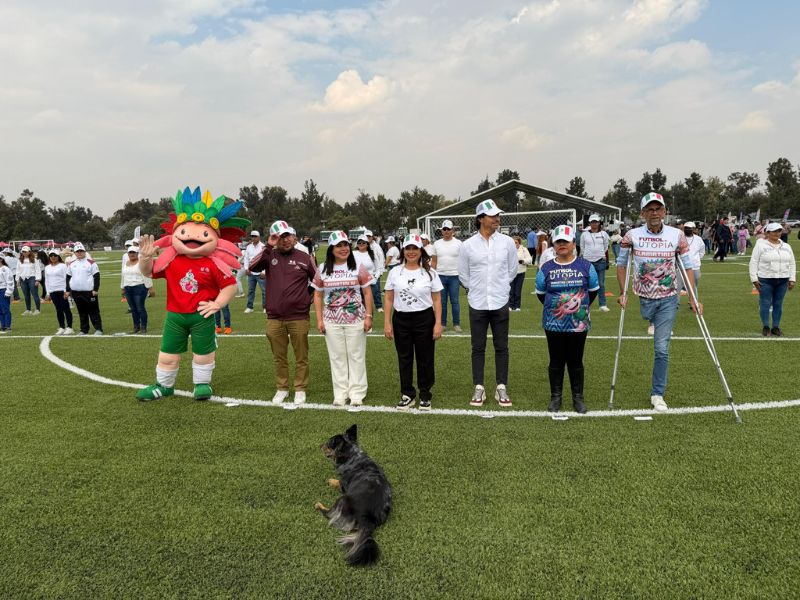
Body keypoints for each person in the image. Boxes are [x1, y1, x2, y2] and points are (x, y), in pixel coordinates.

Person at [136, 186, 247, 401]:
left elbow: (230, 285)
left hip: (201, 316)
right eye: (184, 232)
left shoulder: (213, 264)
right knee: (167, 354)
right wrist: (145, 257)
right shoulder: (171, 260)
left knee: (203, 354)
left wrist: (217, 304)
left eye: (204, 233)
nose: (191, 237)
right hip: (175, 316)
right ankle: (164, 386)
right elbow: (148, 271)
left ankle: (202, 384)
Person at [616, 192, 701, 412]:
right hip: (643, 296)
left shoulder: (677, 235)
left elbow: (687, 266)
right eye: (650, 210)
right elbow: (621, 264)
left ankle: (657, 394)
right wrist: (622, 292)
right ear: (643, 213)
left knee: (661, 348)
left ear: (664, 212)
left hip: (668, 297)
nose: (654, 213)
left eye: (658, 209)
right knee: (648, 319)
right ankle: (651, 320)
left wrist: (693, 297)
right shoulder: (631, 235)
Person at [250, 220, 317, 404]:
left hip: (299, 316)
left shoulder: (304, 256)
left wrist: (307, 296)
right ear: (274, 239)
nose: (285, 240)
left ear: (293, 237)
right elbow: (252, 267)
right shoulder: (269, 255)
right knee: (279, 357)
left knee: (301, 356)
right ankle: (282, 388)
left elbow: (318, 279)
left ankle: (300, 388)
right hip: (275, 317)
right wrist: (268, 246)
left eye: (288, 236)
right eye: (280, 237)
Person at [458, 199, 518, 407]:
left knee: (502, 347)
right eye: (493, 215)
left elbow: (512, 271)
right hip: (477, 303)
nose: (497, 219)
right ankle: (479, 387)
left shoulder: (507, 242)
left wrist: (501, 288)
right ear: (481, 218)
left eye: (498, 215)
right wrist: (476, 290)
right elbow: (463, 275)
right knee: (478, 347)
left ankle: (501, 386)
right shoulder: (467, 245)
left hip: (500, 301)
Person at [535, 225, 598, 413]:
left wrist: (577, 309)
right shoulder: (546, 268)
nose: (561, 244)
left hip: (578, 325)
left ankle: (578, 397)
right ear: (553, 244)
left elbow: (592, 292)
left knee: (576, 360)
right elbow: (541, 294)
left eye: (565, 241)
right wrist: (557, 309)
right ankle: (556, 397)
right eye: (558, 241)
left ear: (573, 243)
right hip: (553, 323)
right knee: (556, 360)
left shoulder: (586, 266)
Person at [313, 231, 374, 406]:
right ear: (331, 249)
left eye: (345, 245)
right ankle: (340, 394)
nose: (343, 248)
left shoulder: (358, 267)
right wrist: (319, 319)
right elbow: (317, 295)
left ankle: (357, 394)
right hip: (331, 321)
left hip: (356, 320)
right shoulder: (323, 268)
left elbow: (367, 292)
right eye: (338, 246)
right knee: (337, 357)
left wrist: (368, 316)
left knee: (356, 356)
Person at [384, 233, 443, 410]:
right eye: (408, 248)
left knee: (425, 358)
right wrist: (387, 323)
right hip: (401, 319)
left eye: (415, 248)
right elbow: (388, 298)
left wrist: (438, 323)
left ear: (421, 251)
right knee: (405, 358)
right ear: (403, 251)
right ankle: (407, 394)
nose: (411, 252)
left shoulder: (430, 273)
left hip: (424, 318)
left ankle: (425, 394)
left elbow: (437, 300)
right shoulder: (395, 272)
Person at [749, 222, 796, 337]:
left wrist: (792, 278)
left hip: (783, 280)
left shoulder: (786, 246)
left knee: (778, 304)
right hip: (765, 279)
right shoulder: (760, 245)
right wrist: (754, 279)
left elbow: (792, 263)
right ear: (767, 233)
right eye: (774, 231)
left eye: (779, 231)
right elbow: (753, 262)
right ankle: (766, 327)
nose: (777, 233)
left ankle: (776, 327)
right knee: (765, 303)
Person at [66, 242, 103, 336]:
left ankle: (98, 329)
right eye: (77, 251)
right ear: (75, 253)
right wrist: (67, 290)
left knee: (93, 311)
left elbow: (96, 276)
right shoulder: (71, 264)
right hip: (76, 292)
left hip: (89, 292)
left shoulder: (91, 263)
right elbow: (68, 277)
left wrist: (95, 289)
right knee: (81, 312)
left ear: (85, 252)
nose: (79, 253)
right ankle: (84, 329)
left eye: (81, 251)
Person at [433, 219, 463, 333]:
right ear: (441, 231)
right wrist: (432, 276)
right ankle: (443, 324)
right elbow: (434, 261)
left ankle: (456, 324)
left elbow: (463, 260)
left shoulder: (459, 243)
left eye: (448, 229)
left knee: (455, 301)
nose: (446, 231)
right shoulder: (436, 244)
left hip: (454, 276)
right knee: (442, 302)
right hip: (440, 276)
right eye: (444, 229)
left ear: (452, 230)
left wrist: (462, 275)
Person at [579, 214, 611, 312]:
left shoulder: (604, 234)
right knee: (585, 283)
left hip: (600, 261)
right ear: (590, 223)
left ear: (599, 223)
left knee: (601, 284)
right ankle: (585, 304)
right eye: (592, 222)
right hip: (587, 262)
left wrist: (600, 254)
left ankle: (603, 304)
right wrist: (587, 256)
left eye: (596, 222)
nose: (594, 223)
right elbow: (582, 247)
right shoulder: (584, 234)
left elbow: (606, 246)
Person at [120, 246, 153, 334]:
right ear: (128, 254)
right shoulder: (126, 263)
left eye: (134, 252)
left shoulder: (141, 263)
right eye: (130, 252)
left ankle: (143, 327)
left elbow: (146, 274)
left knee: (140, 308)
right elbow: (123, 276)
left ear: (137, 253)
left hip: (139, 287)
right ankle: (136, 327)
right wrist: (122, 288)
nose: (132, 254)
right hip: (128, 288)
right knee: (133, 309)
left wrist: (150, 287)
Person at [44, 249, 73, 335]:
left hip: (62, 290)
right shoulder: (47, 267)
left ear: (58, 256)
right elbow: (47, 281)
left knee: (66, 309)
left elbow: (66, 279)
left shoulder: (63, 266)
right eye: (51, 256)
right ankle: (61, 327)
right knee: (58, 309)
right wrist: (48, 293)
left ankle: (69, 327)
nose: (53, 257)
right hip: (53, 291)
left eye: (55, 255)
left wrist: (66, 291)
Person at [676, 221, 705, 304]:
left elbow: (702, 251)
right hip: (680, 266)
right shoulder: (679, 238)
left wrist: (696, 259)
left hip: (694, 266)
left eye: (689, 228)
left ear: (693, 229)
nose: (687, 230)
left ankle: (694, 302)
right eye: (686, 228)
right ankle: (676, 303)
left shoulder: (698, 239)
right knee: (678, 286)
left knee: (693, 286)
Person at [244, 230, 266, 313]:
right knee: (250, 291)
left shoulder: (263, 247)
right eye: (252, 236)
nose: (253, 238)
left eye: (255, 236)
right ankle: (249, 307)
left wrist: (264, 271)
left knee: (264, 291)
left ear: (259, 237)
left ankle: (265, 307)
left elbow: (266, 260)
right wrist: (246, 268)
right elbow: (246, 258)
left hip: (260, 273)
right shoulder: (249, 247)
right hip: (251, 273)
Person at [16, 245, 42, 315]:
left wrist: (37, 280)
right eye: (23, 252)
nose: (24, 253)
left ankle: (37, 309)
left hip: (32, 278)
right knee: (26, 295)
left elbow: (38, 270)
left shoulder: (34, 260)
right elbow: (18, 270)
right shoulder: (20, 260)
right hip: (23, 279)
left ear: (29, 252)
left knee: (35, 294)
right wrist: (17, 279)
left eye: (25, 251)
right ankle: (28, 310)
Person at [509, 236, 532, 311]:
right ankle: (510, 305)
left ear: (519, 243)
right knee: (510, 290)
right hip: (510, 273)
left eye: (516, 242)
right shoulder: (508, 249)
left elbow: (530, 259)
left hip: (520, 272)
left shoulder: (524, 249)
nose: (514, 244)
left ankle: (517, 306)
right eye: (513, 242)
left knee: (518, 290)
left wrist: (523, 261)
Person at [365, 230, 385, 313]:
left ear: (372, 237)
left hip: (375, 272)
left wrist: (381, 271)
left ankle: (379, 306)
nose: (368, 238)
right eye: (366, 236)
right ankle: (365, 306)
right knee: (364, 291)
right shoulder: (362, 245)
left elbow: (381, 258)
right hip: (364, 272)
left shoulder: (376, 246)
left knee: (376, 290)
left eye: (369, 236)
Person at [0, 253, 13, 332]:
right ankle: (3, 325)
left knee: (5, 308)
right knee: (0, 309)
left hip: (3, 290)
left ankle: (8, 325)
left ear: (1, 259)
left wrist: (8, 291)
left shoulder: (5, 269)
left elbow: (10, 281)